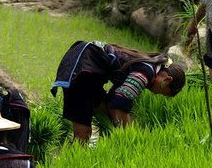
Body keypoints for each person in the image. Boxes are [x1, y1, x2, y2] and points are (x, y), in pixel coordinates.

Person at [51, 40, 186, 144]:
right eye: (162, 92)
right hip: (84, 68)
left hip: (87, 65)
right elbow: (121, 101)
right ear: (167, 79)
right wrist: (130, 137)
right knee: (83, 131)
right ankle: (77, 164)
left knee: (106, 112)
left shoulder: (148, 66)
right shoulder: (146, 72)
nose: (156, 94)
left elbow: (113, 101)